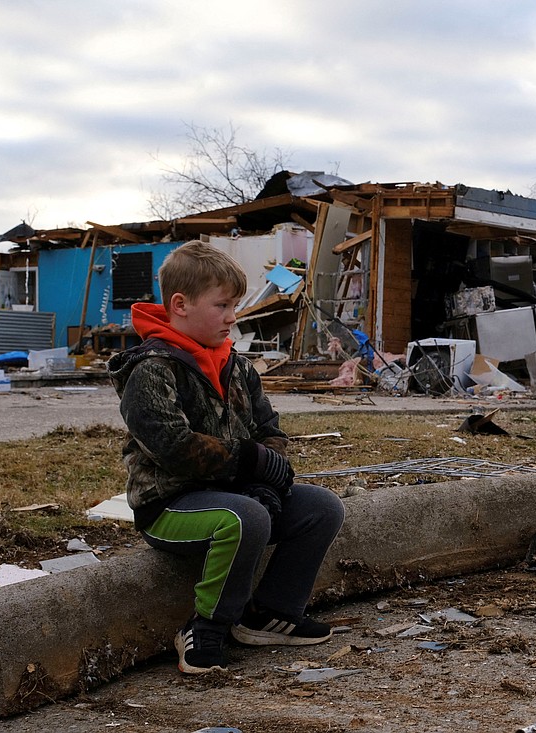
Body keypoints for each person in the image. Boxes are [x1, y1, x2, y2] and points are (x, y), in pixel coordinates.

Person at [109, 240, 346, 675]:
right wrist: (247, 464)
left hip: (237, 495)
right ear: (180, 305)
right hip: (170, 507)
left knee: (322, 507)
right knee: (245, 518)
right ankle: (207, 625)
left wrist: (264, 477)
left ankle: (270, 614)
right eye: (222, 306)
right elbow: (174, 448)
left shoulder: (236, 366)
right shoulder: (151, 369)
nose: (233, 317)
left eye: (235, 305)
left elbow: (269, 432)